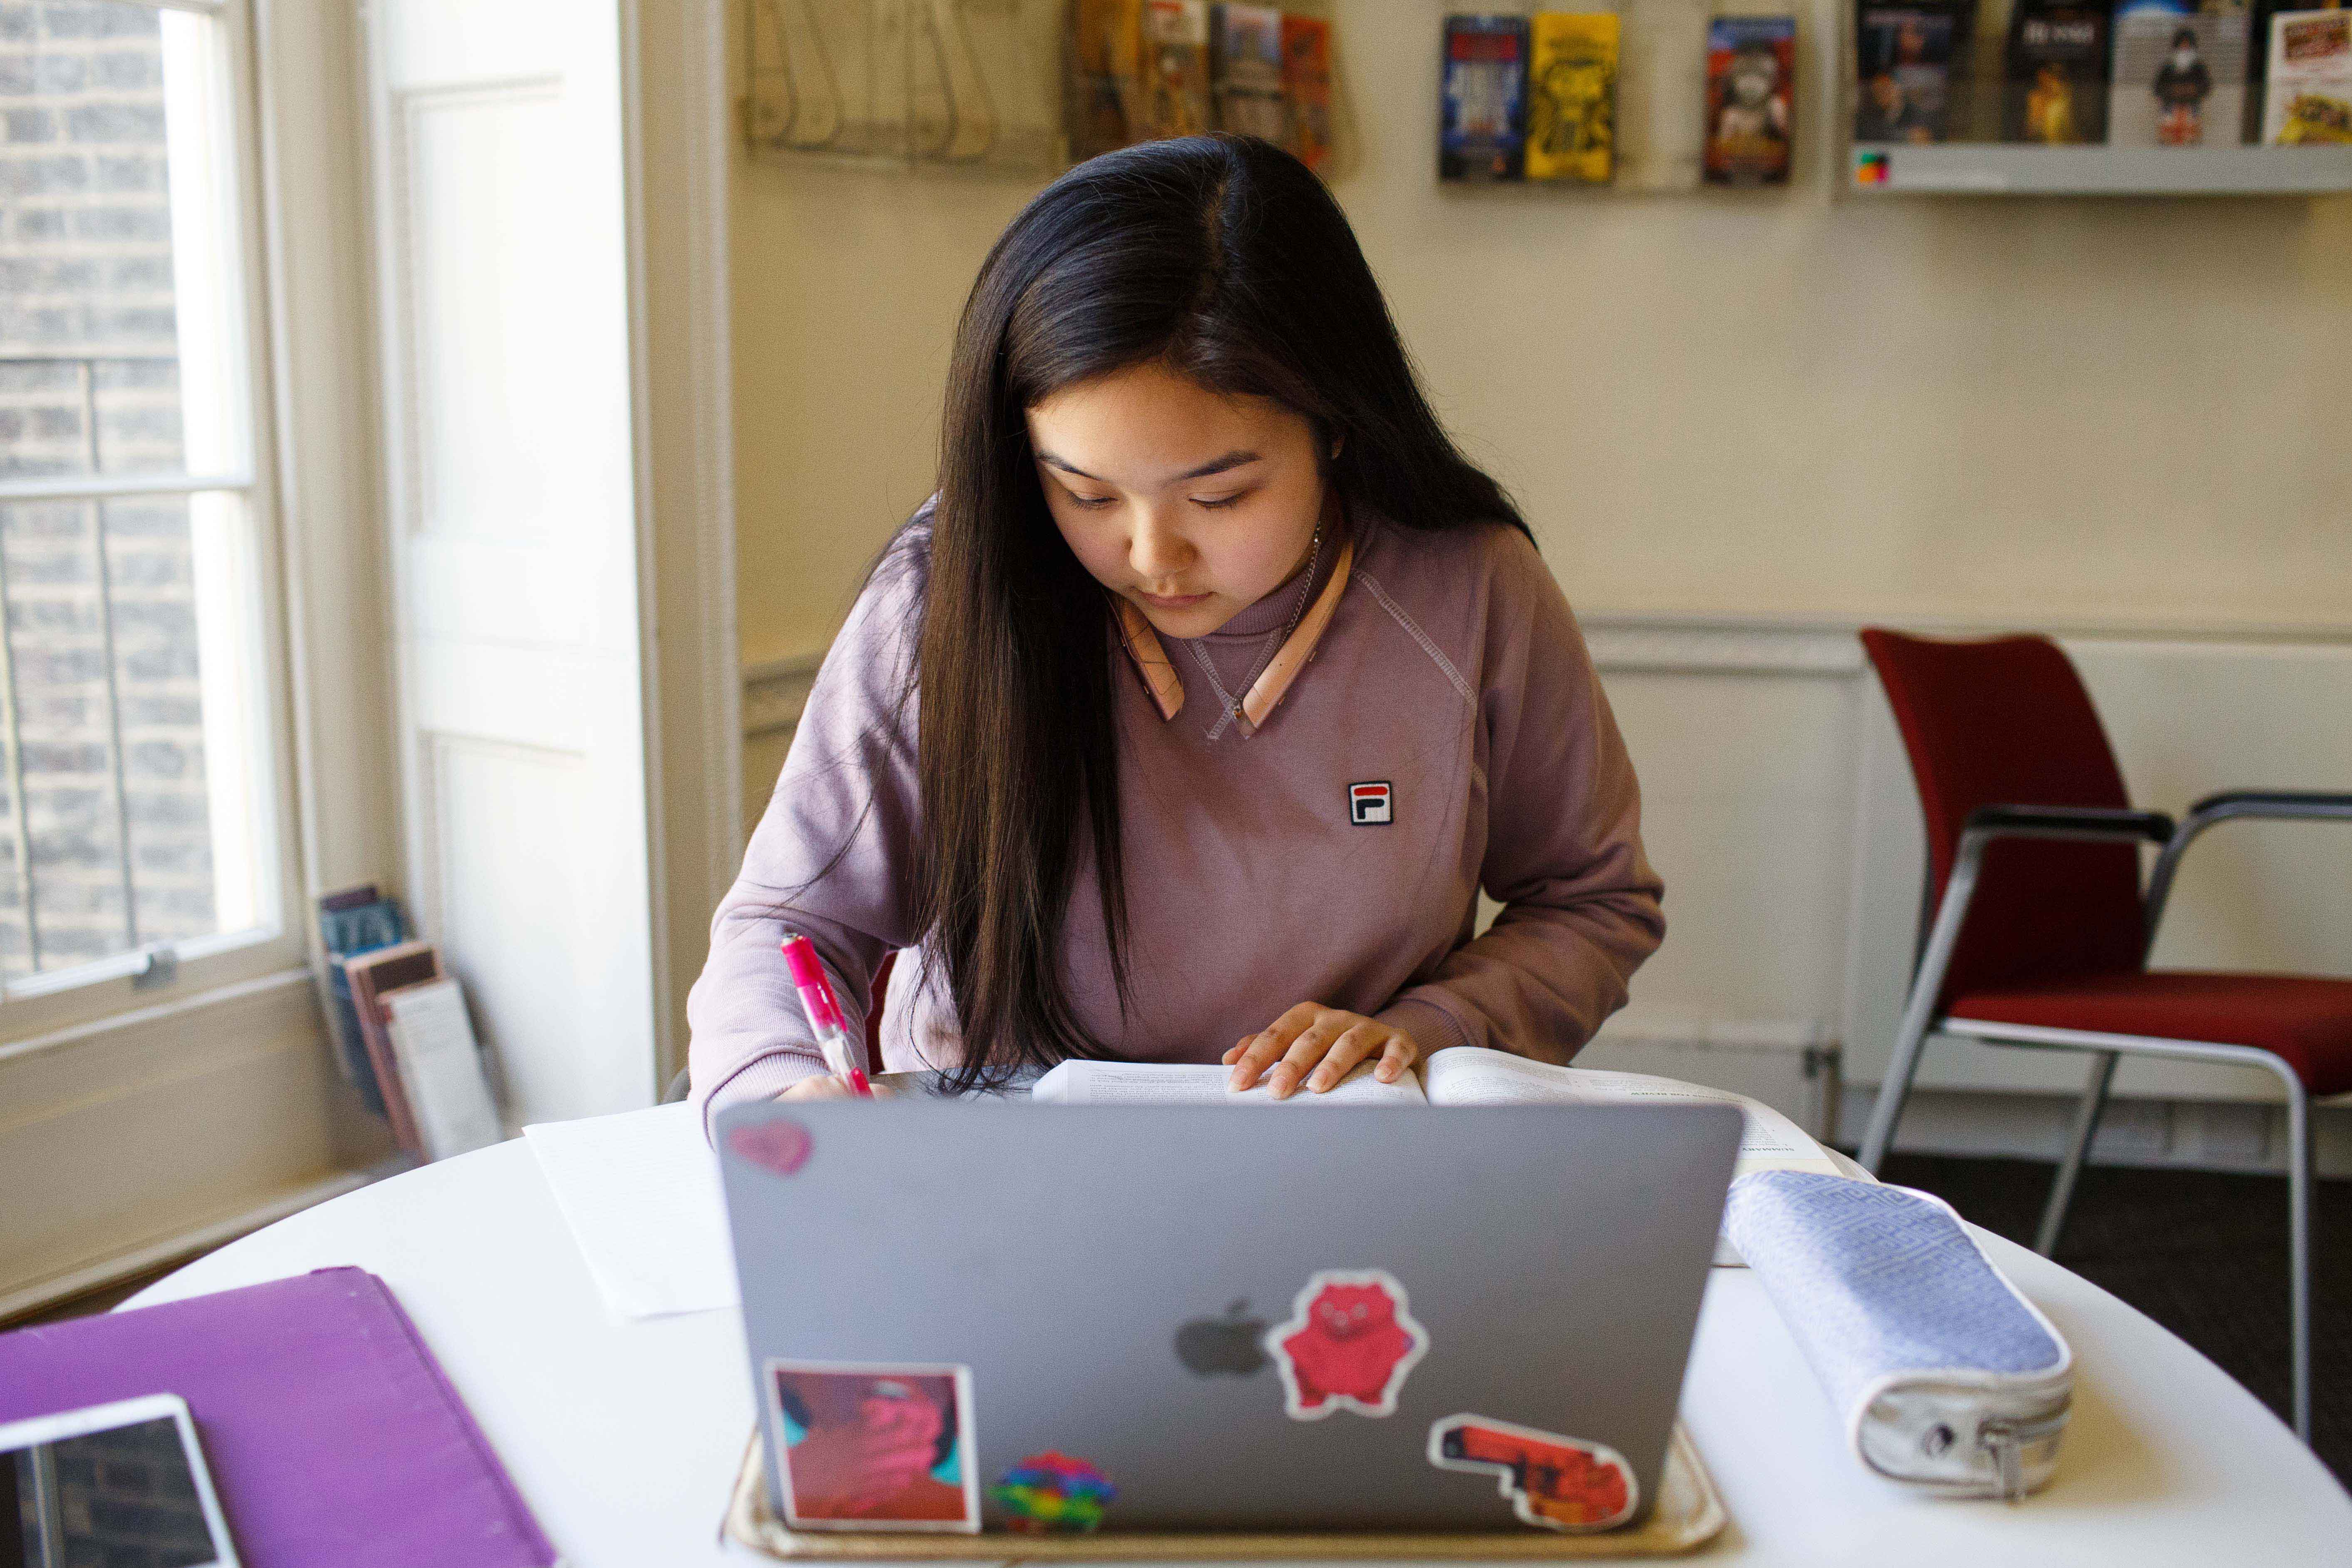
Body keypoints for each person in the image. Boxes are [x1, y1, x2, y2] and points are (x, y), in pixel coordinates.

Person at [687, 134, 1663, 1121]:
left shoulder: (1468, 584)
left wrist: (1433, 1022)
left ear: (1334, 426)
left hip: (1338, 1164)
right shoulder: (952, 592)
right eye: (1085, 493)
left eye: (1222, 496)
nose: (1153, 555)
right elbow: (790, 924)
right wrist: (777, 1097)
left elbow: (1593, 902)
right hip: (993, 1172)